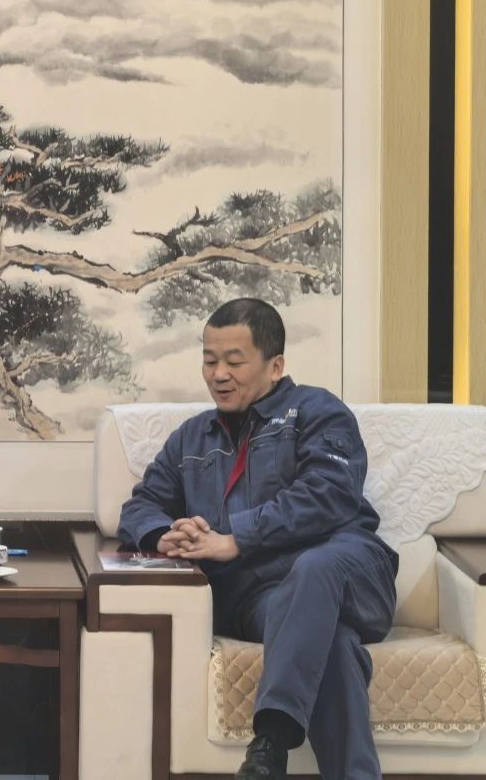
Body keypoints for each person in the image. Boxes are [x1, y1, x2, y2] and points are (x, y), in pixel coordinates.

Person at [118, 298, 397, 780]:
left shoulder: (318, 411)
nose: (218, 374)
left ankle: (270, 741)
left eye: (234, 361)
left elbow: (329, 494)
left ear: (275, 366)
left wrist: (235, 539)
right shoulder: (191, 438)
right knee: (328, 641)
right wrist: (167, 535)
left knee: (315, 568)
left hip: (351, 570)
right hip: (263, 598)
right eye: (209, 360)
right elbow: (139, 507)